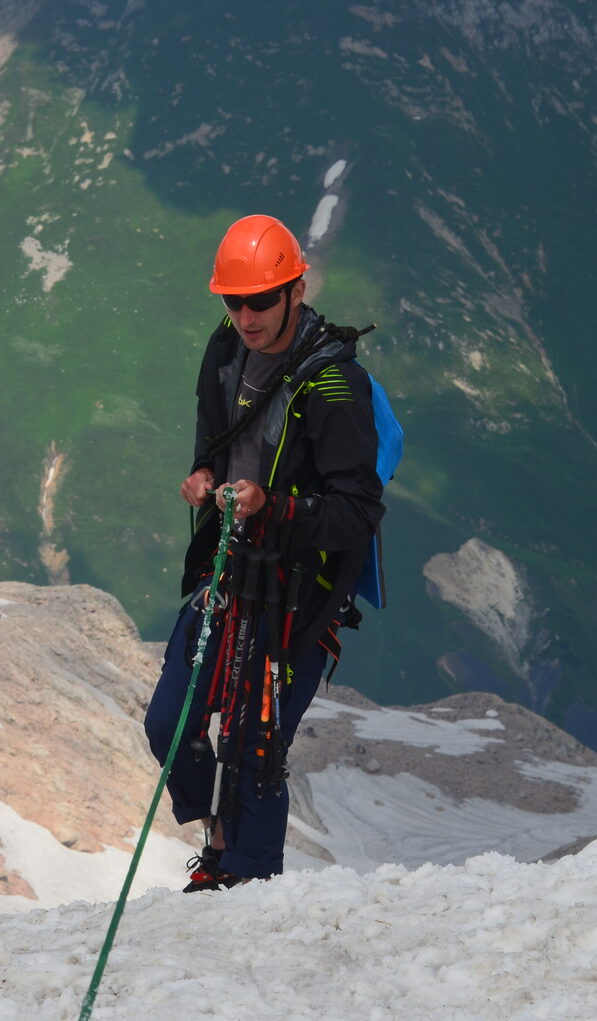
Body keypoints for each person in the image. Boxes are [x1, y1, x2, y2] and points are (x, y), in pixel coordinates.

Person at [144, 214, 386, 892]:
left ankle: (246, 889)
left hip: (297, 593)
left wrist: (273, 507)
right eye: (234, 300)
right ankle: (219, 841)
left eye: (260, 300)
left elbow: (358, 511)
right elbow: (215, 440)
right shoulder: (225, 352)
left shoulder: (336, 388)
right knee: (171, 723)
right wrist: (205, 478)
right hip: (229, 570)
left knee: (256, 750)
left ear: (295, 292)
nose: (245, 315)